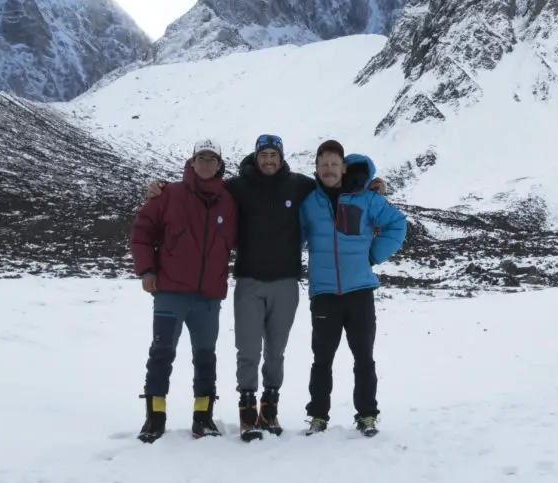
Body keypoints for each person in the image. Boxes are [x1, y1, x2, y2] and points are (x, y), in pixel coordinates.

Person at [145, 134, 386, 442]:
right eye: (264, 155)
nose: (269, 160)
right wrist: (161, 188)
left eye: (274, 155)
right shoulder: (237, 186)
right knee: (247, 350)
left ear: (281, 157)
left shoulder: (300, 185)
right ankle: (247, 407)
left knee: (275, 351)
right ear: (256, 157)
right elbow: (202, 187)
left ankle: (269, 407)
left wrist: (370, 185)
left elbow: (335, 185)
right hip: (248, 281)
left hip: (286, 282)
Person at [130, 138, 239, 443]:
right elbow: (141, 232)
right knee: (161, 354)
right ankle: (155, 417)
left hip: (208, 297)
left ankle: (203, 417)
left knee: (205, 357)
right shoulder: (168, 195)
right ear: (191, 162)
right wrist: (147, 270)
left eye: (212, 159)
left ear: (220, 165)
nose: (206, 164)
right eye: (201, 158)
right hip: (170, 291)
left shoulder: (229, 202)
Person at [300, 139, 407, 438]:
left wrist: (373, 255)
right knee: (322, 359)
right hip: (323, 294)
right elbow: (295, 236)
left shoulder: (365, 198)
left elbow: (397, 224)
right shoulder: (309, 203)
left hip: (359, 291)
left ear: (343, 167)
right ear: (317, 169)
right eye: (324, 165)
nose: (329, 170)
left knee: (363, 356)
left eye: (334, 164)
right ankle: (318, 416)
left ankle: (367, 415)